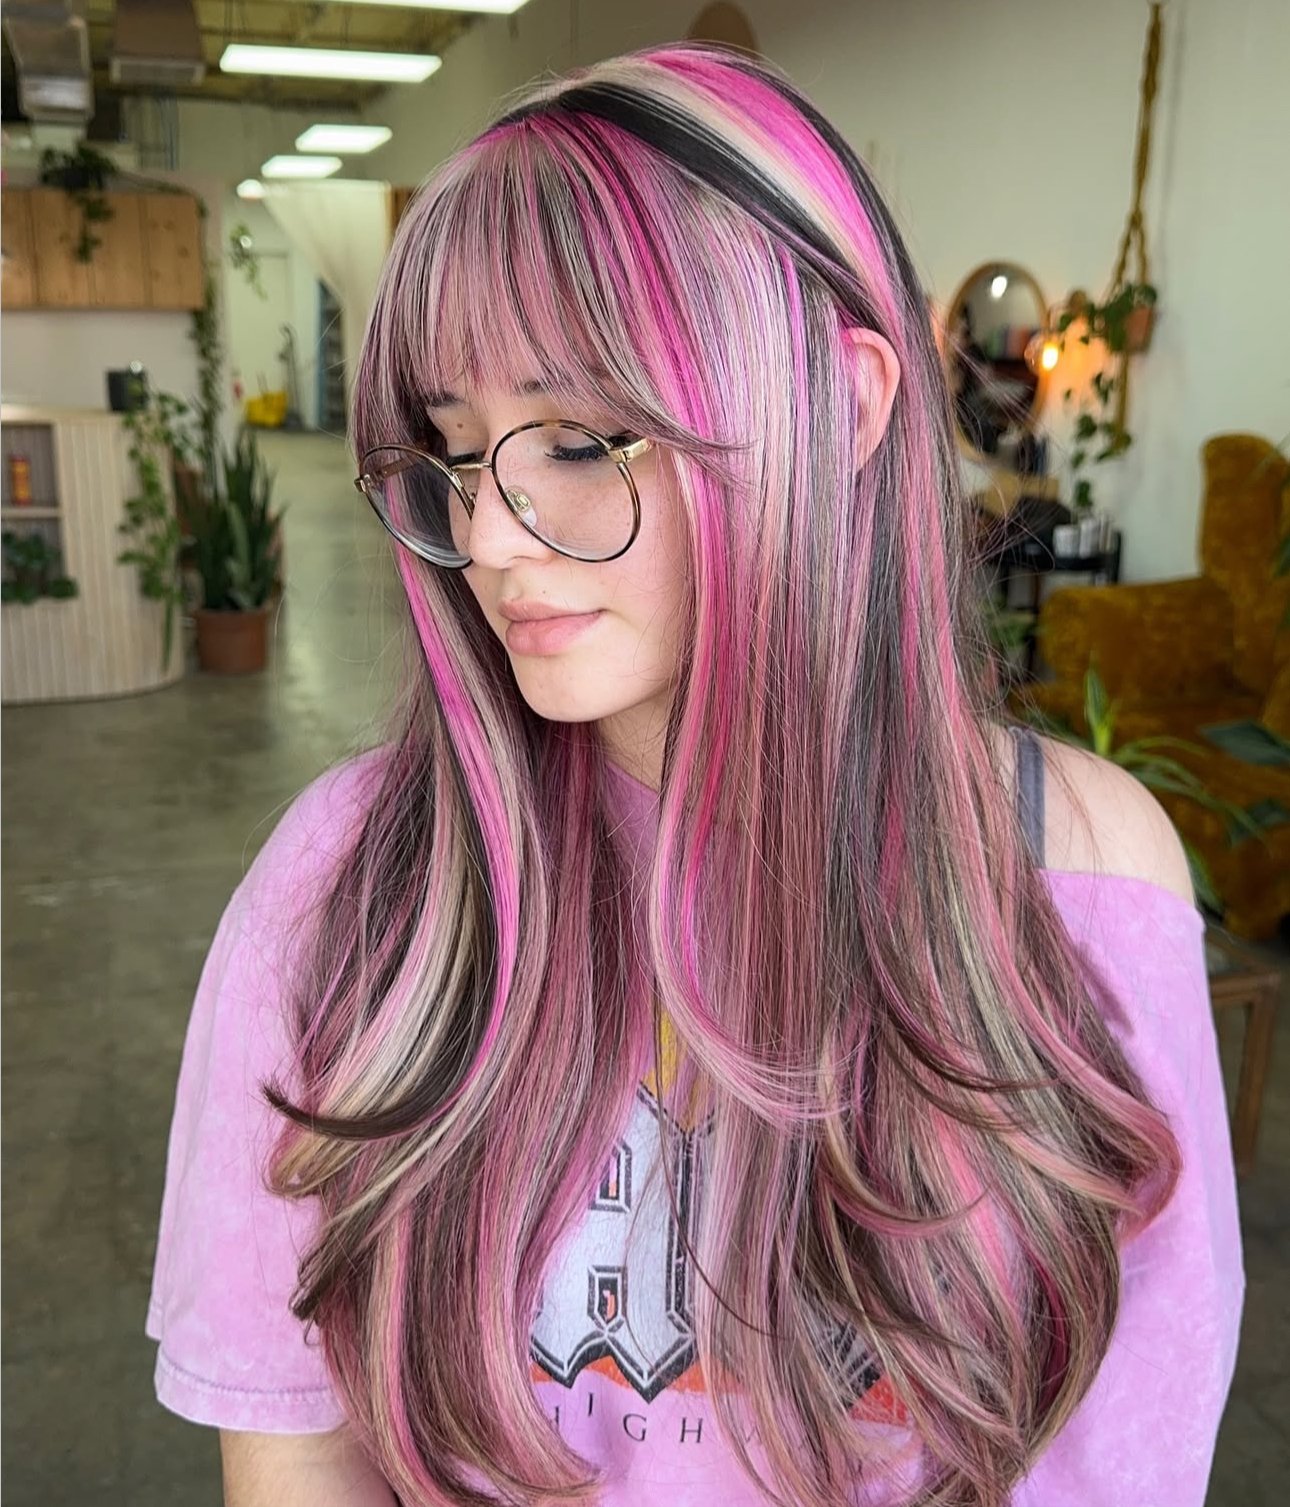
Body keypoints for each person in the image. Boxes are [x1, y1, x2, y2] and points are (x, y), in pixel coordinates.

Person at [145, 43, 1241, 1507]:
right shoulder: (349, 881)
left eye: (579, 439)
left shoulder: (1079, 870)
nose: (489, 539)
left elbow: (1120, 1451)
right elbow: (297, 1444)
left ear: (842, 407)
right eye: (457, 455)